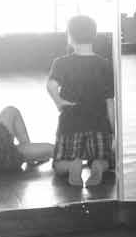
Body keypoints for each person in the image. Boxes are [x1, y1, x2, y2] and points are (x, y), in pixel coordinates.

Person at [47, 15, 115, 187]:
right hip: (98, 125)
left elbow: (51, 85)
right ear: (94, 35)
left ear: (70, 36)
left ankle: (71, 166)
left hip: (70, 124)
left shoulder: (61, 63)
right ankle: (98, 165)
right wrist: (113, 130)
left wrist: (59, 102)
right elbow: (110, 101)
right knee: (107, 160)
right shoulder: (104, 64)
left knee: (58, 165)